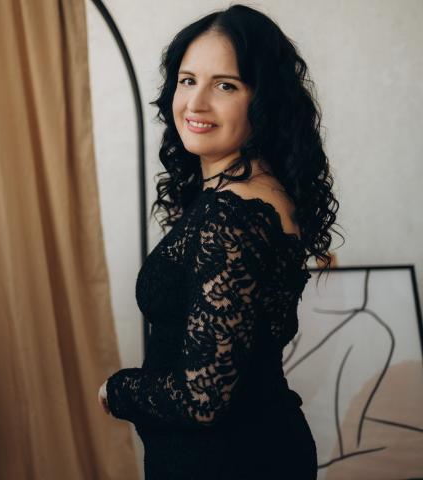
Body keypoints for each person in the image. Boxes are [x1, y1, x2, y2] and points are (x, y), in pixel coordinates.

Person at [97, 4, 342, 480]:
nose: (195, 103)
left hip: (227, 461)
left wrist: (118, 389)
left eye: (225, 85)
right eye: (187, 80)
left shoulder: (233, 213)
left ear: (264, 100)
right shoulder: (250, 192)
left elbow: (203, 397)